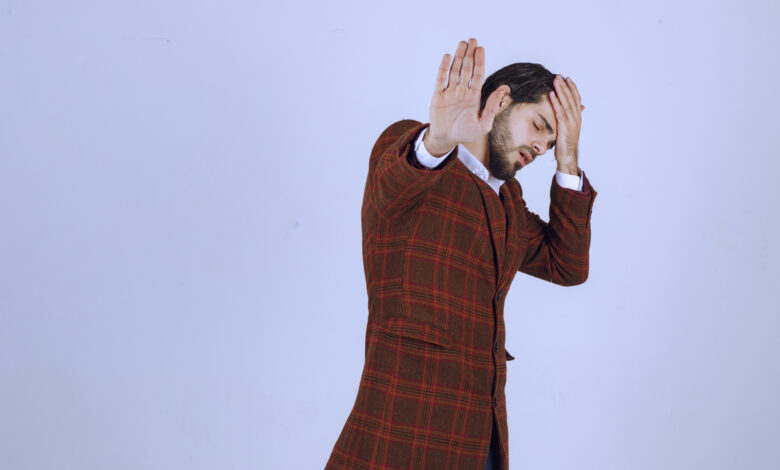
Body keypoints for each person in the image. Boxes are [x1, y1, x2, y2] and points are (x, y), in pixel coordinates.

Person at [326, 37, 597, 470]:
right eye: (541, 126)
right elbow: (393, 182)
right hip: (404, 434)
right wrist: (436, 141)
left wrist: (568, 161)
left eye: (551, 144)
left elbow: (566, 265)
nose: (540, 149)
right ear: (503, 100)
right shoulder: (417, 159)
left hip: (480, 439)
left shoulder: (508, 201)